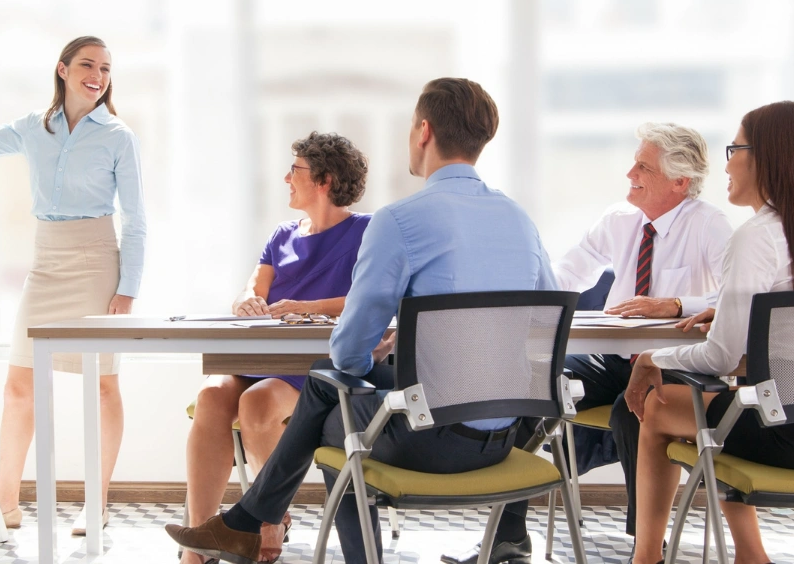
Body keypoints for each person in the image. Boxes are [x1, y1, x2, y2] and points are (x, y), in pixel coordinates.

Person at [166, 77, 556, 564]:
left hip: (428, 438)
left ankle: (259, 524)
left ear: (423, 131)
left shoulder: (399, 220)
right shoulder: (520, 221)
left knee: (336, 405)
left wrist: (379, 349)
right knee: (331, 390)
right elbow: (543, 325)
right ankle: (248, 521)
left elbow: (349, 353)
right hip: (503, 438)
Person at [442, 123, 733, 563]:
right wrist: (508, 301)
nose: (630, 172)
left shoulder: (710, 225)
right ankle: (508, 533)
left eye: (643, 166)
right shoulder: (619, 220)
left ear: (680, 181)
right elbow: (565, 277)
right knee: (529, 382)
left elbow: (735, 300)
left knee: (632, 409)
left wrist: (674, 304)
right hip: (614, 359)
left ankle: (646, 548)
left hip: (675, 364)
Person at [626, 101, 794, 564]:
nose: (726, 163)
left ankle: (646, 558)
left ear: (768, 155)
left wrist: (650, 358)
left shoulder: (756, 236)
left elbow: (720, 358)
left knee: (657, 406)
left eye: (735, 148)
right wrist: (730, 312)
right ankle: (750, 555)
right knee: (720, 416)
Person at [0, 37, 147, 535]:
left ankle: (97, 504)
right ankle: (5, 505)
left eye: (105, 68)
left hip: (96, 263)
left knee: (103, 387)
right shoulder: (32, 127)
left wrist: (127, 288)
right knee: (18, 386)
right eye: (87, 64)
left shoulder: (119, 136)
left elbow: (137, 221)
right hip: (45, 263)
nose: (97, 75)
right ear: (62, 70)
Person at [183, 131, 371, 564]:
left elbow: (370, 295)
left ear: (324, 179)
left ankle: (271, 521)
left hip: (314, 365)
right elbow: (253, 288)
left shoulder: (366, 231)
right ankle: (199, 543)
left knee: (258, 402)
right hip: (258, 354)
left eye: (296, 170)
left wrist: (307, 306)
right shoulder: (281, 234)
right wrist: (247, 300)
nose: (287, 178)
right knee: (212, 396)